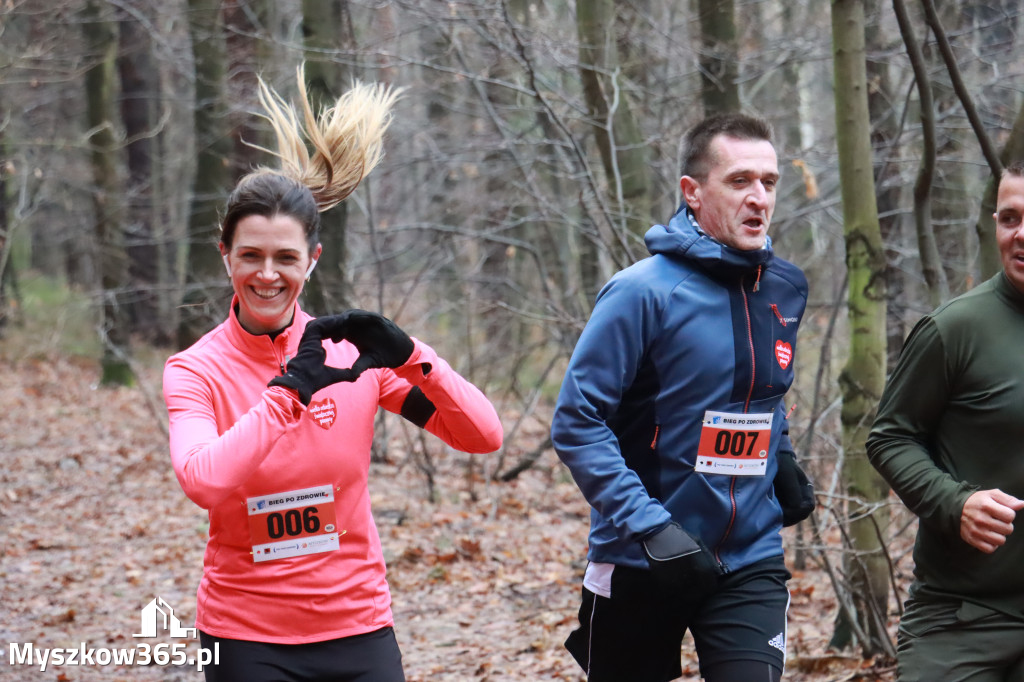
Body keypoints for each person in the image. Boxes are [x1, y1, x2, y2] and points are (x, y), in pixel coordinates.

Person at [162, 67, 503, 682]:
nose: (268, 274)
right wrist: (289, 393)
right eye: (251, 257)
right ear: (226, 257)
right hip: (246, 637)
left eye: (286, 258)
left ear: (312, 261)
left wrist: (413, 355)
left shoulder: (354, 358)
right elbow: (204, 482)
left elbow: (482, 435)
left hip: (358, 627)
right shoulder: (196, 370)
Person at [550, 113, 814, 682]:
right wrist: (652, 528)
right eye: (740, 180)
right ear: (692, 193)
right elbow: (577, 421)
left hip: (749, 556)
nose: (759, 198)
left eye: (769, 182)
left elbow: (765, 391)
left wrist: (783, 454)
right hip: (641, 555)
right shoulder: (642, 292)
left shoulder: (785, 287)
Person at [866, 161, 1024, 681]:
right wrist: (955, 502)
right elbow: (891, 437)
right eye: (1009, 218)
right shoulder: (954, 329)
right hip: (961, 616)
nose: (1020, 234)